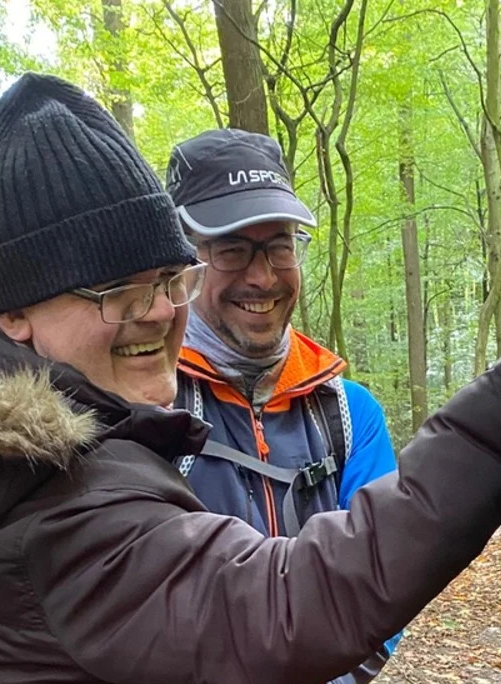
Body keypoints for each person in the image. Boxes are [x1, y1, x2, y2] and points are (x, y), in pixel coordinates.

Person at [0, 73, 501, 684]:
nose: (158, 313)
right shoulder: (54, 510)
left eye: (170, 279)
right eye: (117, 291)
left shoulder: (14, 465)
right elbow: (295, 601)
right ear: (15, 314)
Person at [164, 129, 401, 681]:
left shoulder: (349, 412)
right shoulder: (148, 408)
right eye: (231, 249)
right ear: (184, 260)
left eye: (280, 246)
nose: (263, 276)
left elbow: (383, 580)